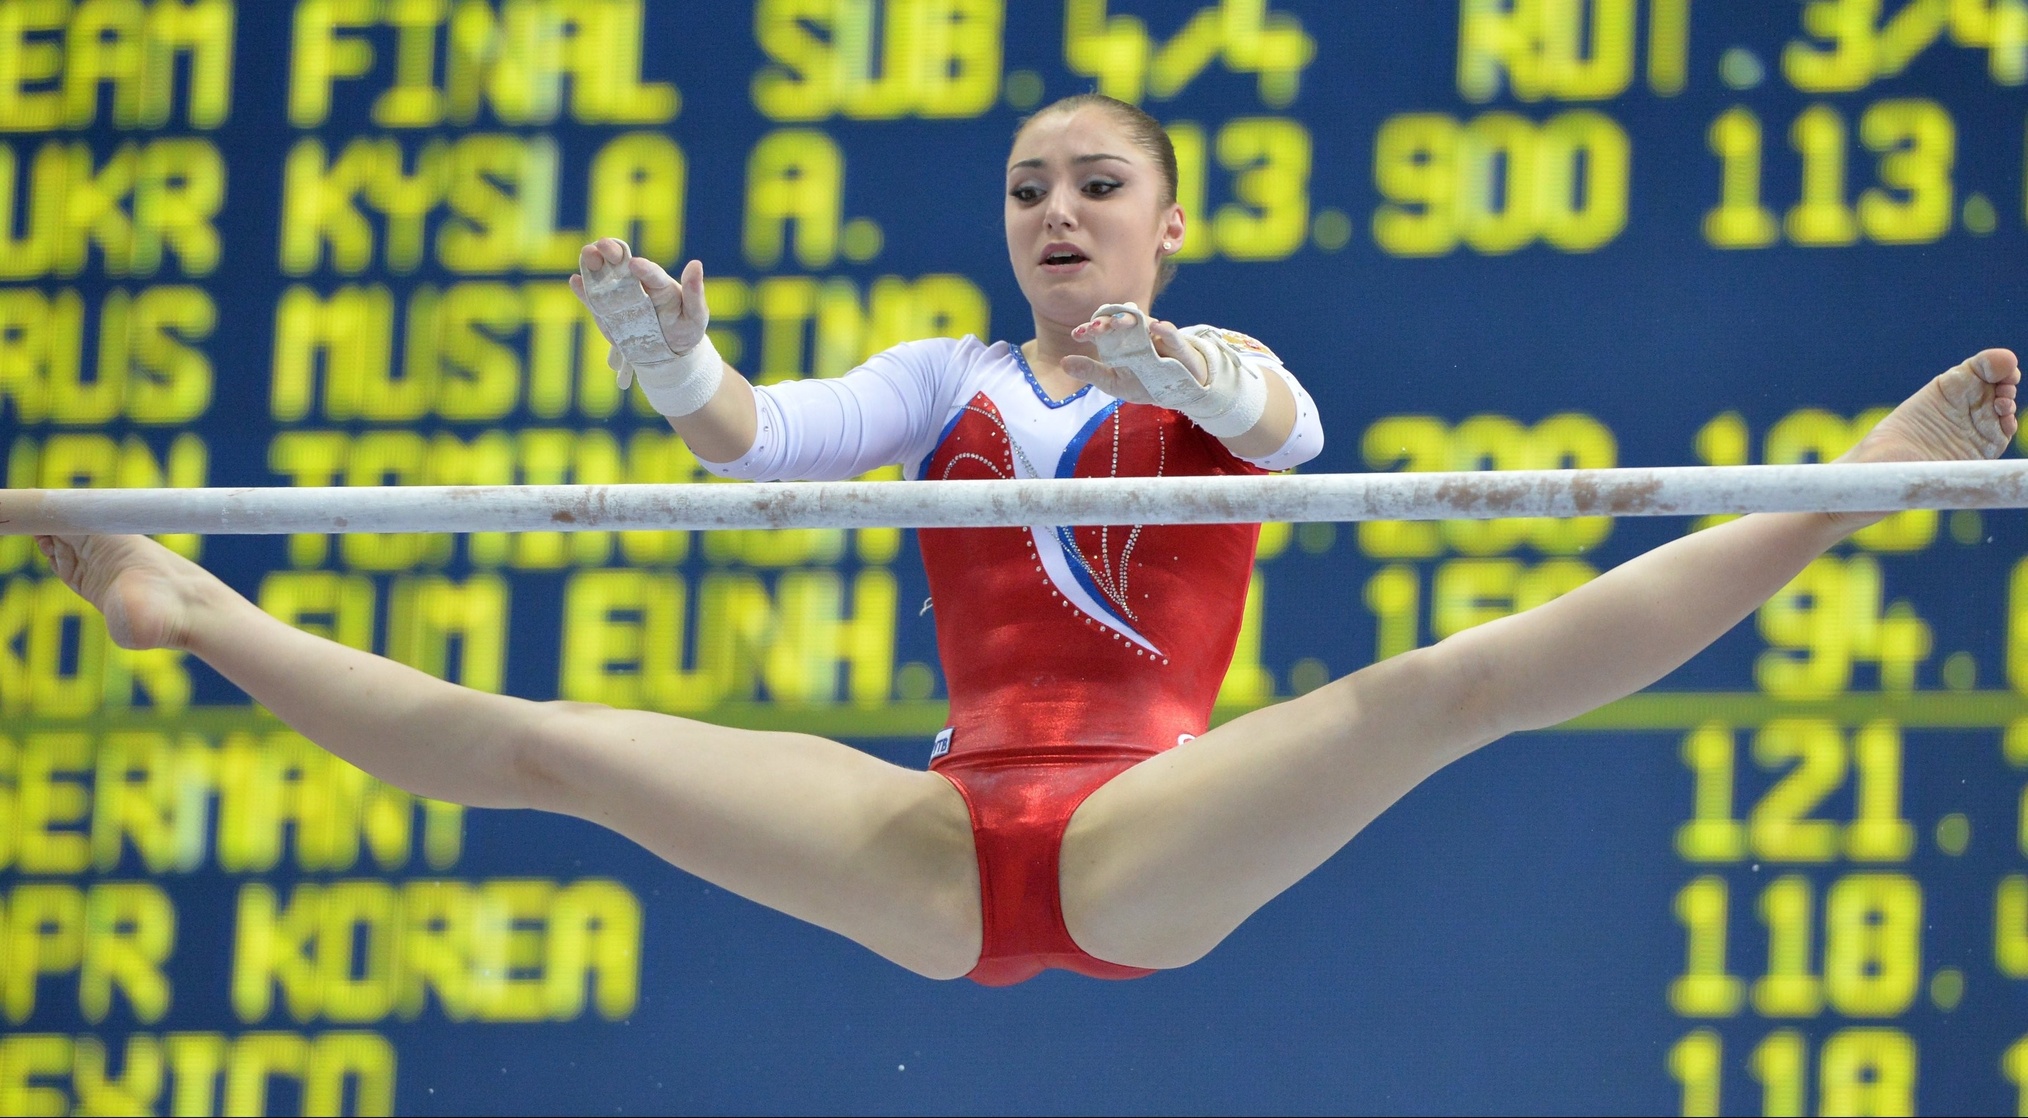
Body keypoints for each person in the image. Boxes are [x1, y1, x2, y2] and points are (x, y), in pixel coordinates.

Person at [37, 95, 2019, 988]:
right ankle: (188, 596)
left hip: (1153, 826)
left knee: (1455, 683)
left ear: (1171, 222)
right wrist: (685, 375)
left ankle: (1869, 470)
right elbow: (763, 450)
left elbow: (1274, 422)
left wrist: (1194, 368)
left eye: (1099, 186)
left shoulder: (1221, 380)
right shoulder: (946, 384)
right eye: (1027, 188)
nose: (1056, 211)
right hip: (940, 840)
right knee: (554, 750)